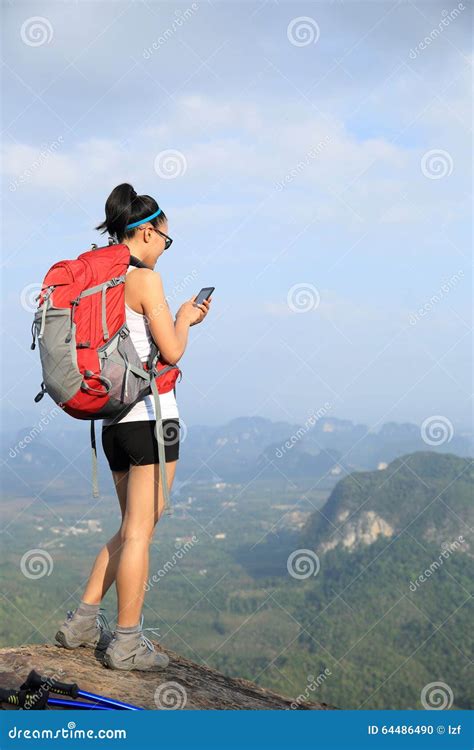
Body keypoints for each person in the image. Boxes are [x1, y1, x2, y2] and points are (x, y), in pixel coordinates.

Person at [55, 183, 211, 670]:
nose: (165, 247)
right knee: (142, 531)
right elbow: (173, 350)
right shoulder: (143, 280)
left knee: (130, 527)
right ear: (145, 232)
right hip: (153, 418)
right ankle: (126, 642)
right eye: (165, 239)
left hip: (112, 419)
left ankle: (82, 621)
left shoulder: (97, 279)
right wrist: (186, 318)